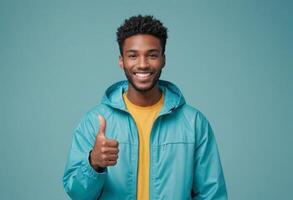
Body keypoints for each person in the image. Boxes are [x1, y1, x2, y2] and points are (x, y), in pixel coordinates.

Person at [63, 15, 228, 200]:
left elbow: (212, 194)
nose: (142, 64)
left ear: (163, 59)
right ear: (121, 61)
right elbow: (77, 194)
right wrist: (93, 163)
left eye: (152, 55)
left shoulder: (194, 123)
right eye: (133, 55)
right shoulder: (95, 121)